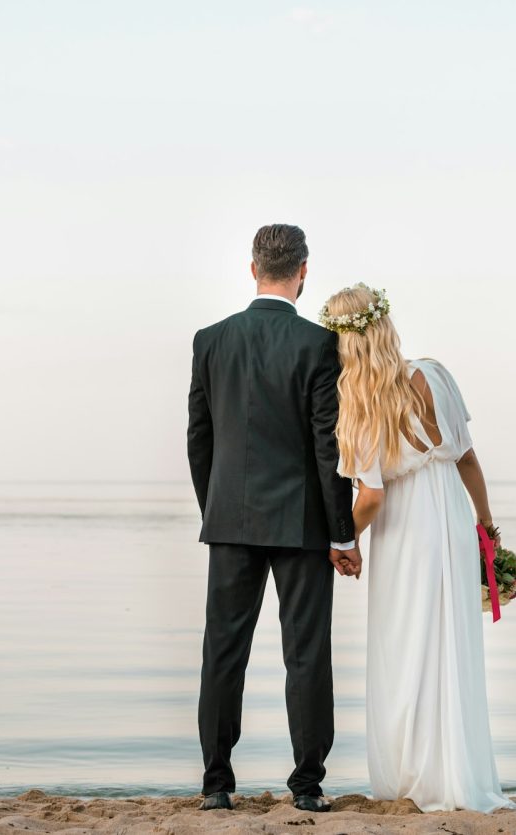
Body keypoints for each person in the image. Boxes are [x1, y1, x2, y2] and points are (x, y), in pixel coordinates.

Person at [320, 283, 516, 813]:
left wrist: (343, 541)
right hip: (450, 517)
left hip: (406, 530)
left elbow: (372, 496)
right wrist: (487, 529)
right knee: (450, 644)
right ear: (384, 325)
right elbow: (469, 462)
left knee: (406, 646)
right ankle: (459, 774)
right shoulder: (434, 374)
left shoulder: (360, 402)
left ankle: (415, 776)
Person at [187, 224, 361, 813]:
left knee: (223, 651)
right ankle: (307, 787)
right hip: (303, 524)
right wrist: (343, 532)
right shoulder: (318, 345)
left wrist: (216, 507)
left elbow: (199, 440)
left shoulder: (210, 340)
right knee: (307, 653)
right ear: (303, 271)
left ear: (252, 267)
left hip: (230, 520)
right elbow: (326, 449)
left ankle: (216, 785)